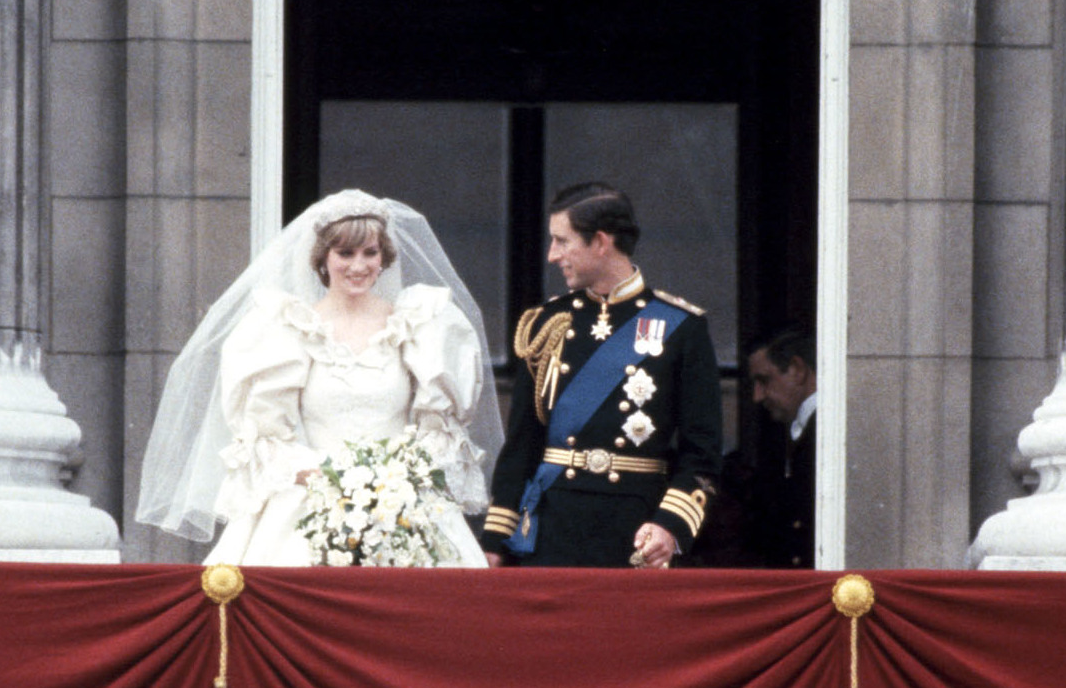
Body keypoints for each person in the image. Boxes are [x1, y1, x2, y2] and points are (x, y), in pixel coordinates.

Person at [135, 189, 503, 566]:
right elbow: (267, 436)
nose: (358, 265)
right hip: (312, 495)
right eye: (345, 253)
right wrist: (330, 481)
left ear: (384, 258)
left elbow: (437, 433)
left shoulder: (419, 323)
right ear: (323, 259)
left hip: (400, 501)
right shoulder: (287, 327)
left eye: (370, 253)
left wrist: (394, 482)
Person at [481, 183, 723, 569]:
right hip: (551, 534)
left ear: (600, 242)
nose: (551, 255)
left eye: (562, 241)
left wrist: (669, 525)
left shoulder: (680, 326)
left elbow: (703, 454)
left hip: (634, 533)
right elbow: (521, 447)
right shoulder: (549, 323)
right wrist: (496, 539)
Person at [737, 326, 817, 567]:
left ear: (797, 369)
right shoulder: (793, 432)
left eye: (764, 380)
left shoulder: (829, 433)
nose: (757, 396)